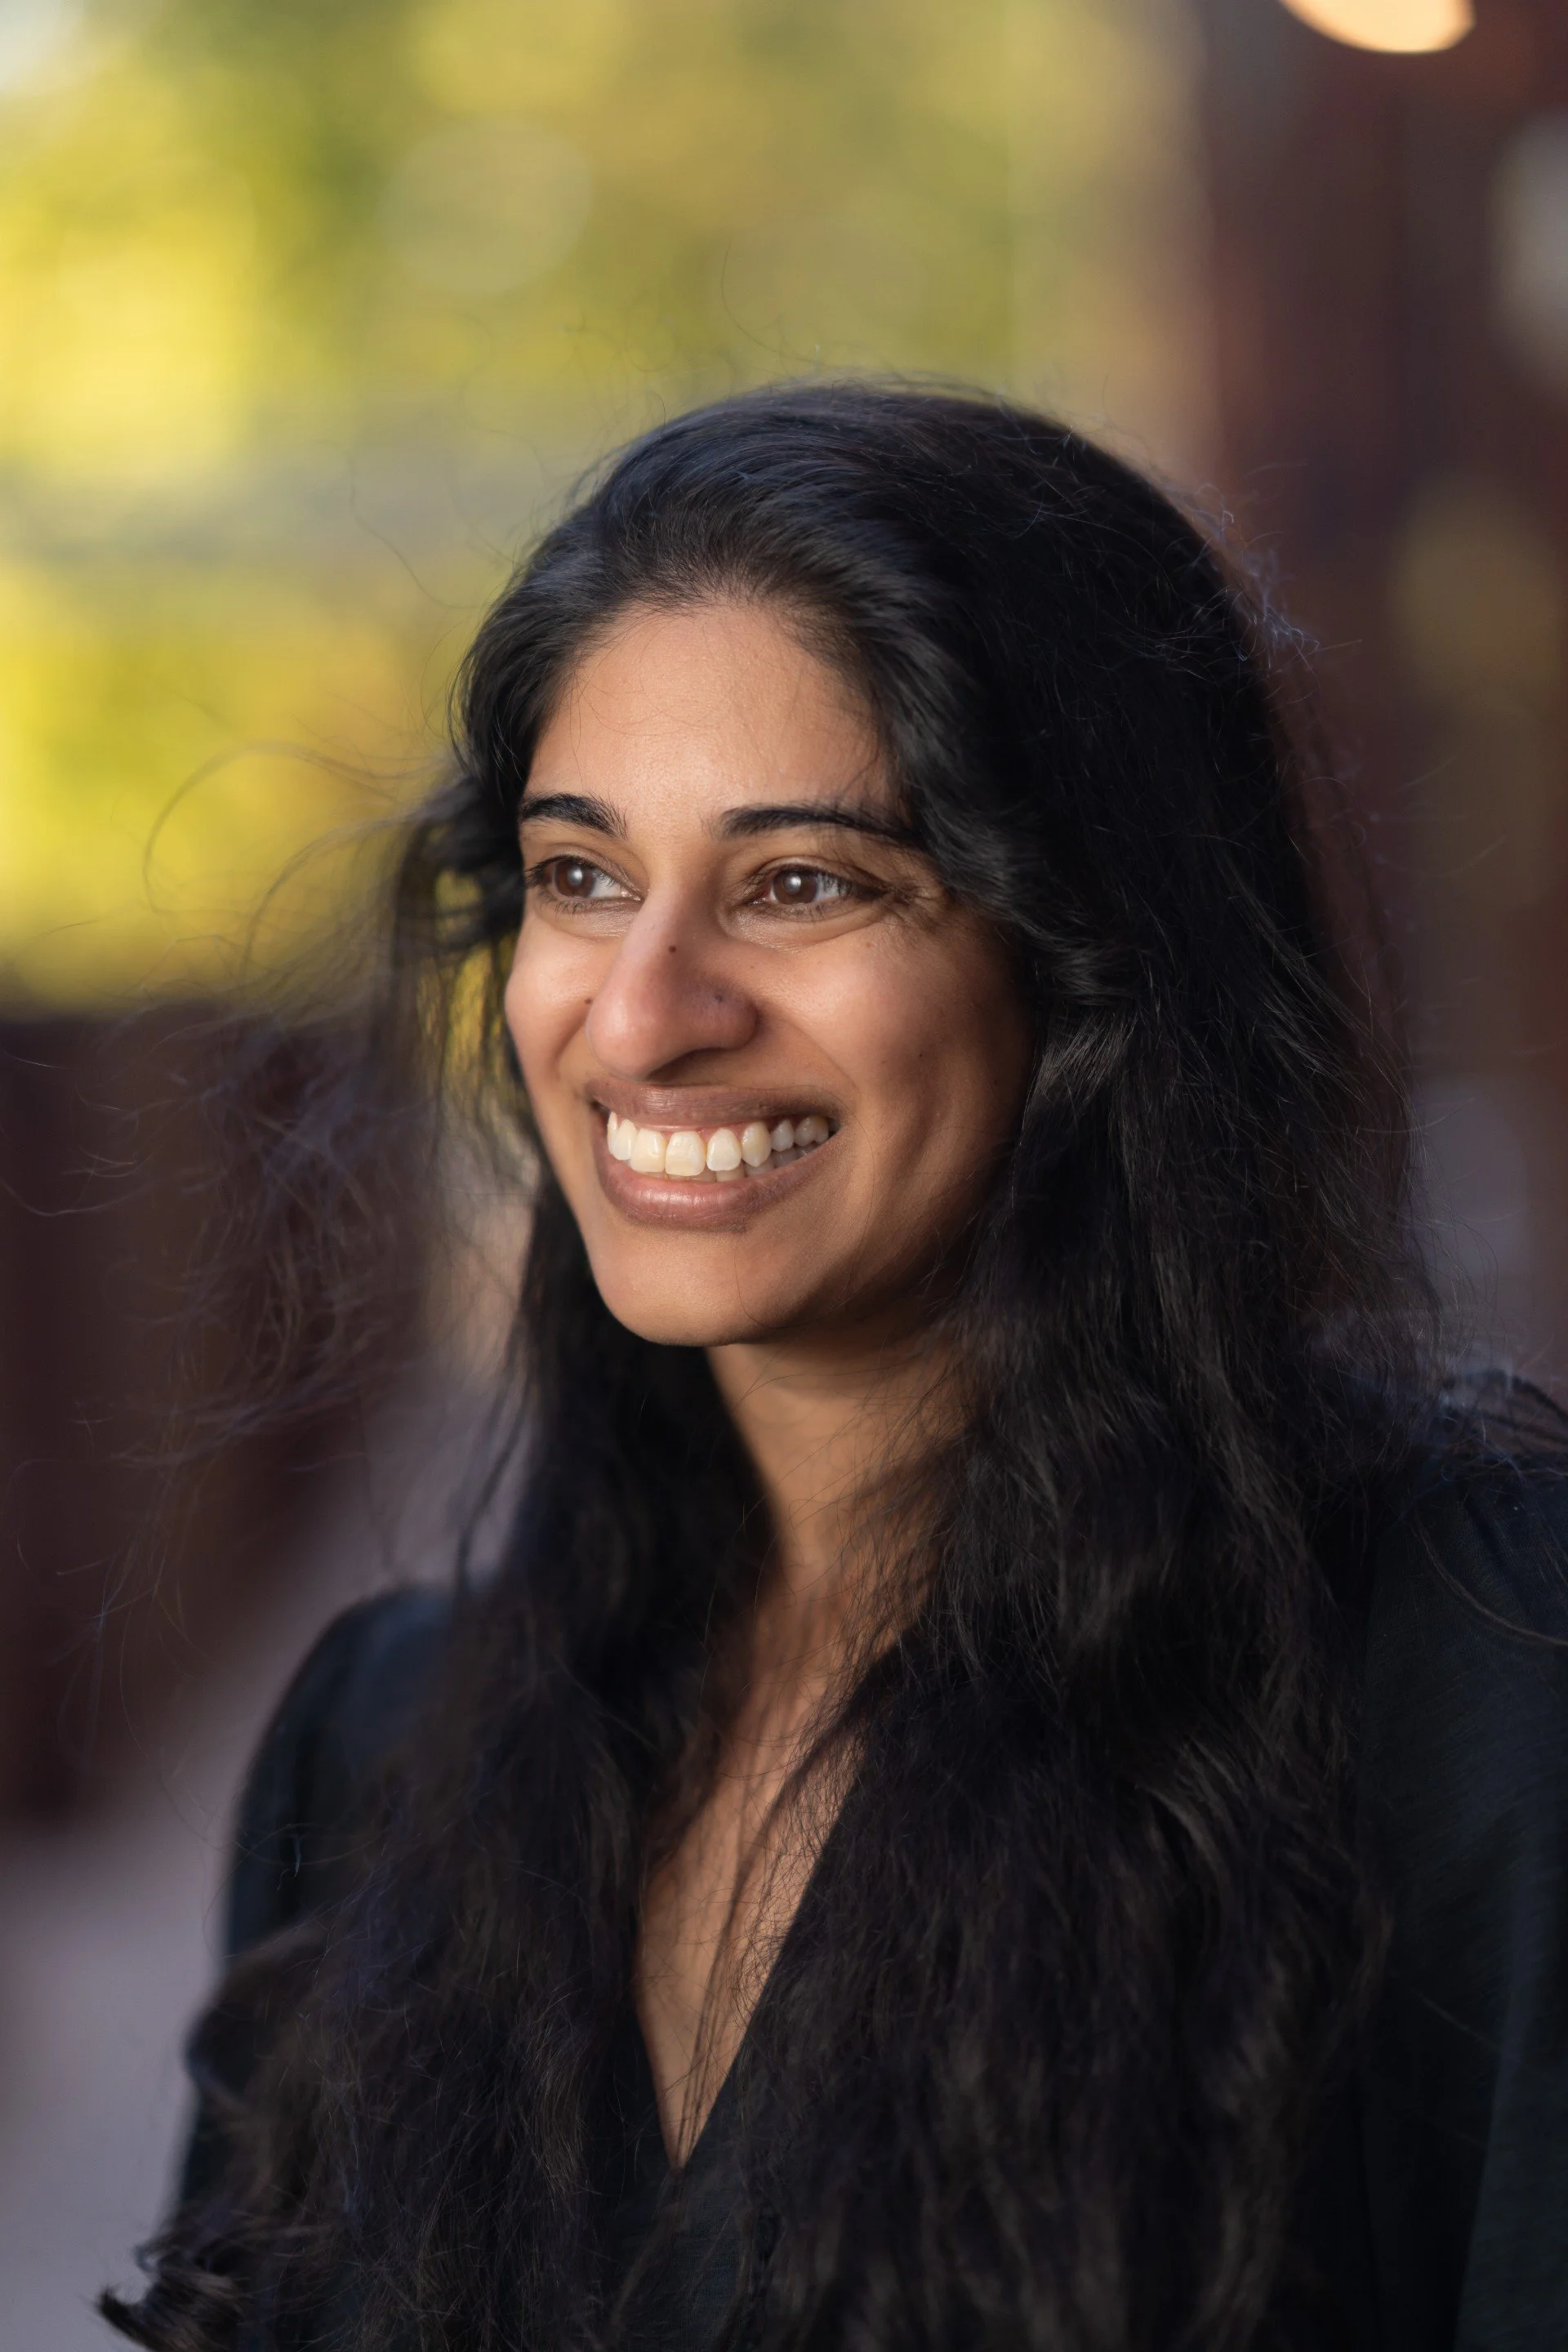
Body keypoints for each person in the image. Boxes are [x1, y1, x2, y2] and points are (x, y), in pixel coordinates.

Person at [102, 384, 1568, 2352]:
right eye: (580, 876)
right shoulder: (383, 1751)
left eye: (805, 883)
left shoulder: (1479, 1689)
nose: (643, 1017)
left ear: (1095, 961)